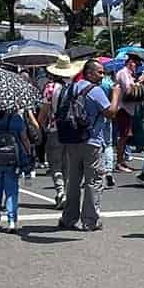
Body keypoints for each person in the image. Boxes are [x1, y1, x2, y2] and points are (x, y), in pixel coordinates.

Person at [57, 60, 119, 231]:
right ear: (89, 73)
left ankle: (69, 218)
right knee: (93, 181)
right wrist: (115, 95)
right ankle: (90, 221)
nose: (102, 76)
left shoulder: (70, 88)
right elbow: (111, 112)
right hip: (91, 140)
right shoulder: (95, 90)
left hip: (72, 139)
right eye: (100, 72)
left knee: (73, 181)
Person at [0, 106, 31, 233]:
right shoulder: (16, 119)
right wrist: (28, 154)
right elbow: (24, 138)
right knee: (12, 190)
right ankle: (12, 220)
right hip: (13, 159)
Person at [41, 56, 83, 209]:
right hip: (72, 129)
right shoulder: (76, 86)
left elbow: (44, 111)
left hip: (54, 128)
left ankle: (60, 191)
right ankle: (67, 192)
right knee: (68, 164)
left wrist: (40, 126)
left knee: (55, 163)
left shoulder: (50, 88)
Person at [113, 54, 144, 174]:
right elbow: (128, 90)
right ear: (130, 62)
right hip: (123, 109)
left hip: (128, 109)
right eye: (136, 64)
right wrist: (139, 84)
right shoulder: (124, 73)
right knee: (123, 135)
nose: (137, 67)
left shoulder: (129, 74)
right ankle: (119, 162)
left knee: (125, 135)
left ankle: (121, 161)